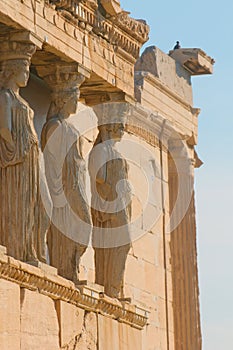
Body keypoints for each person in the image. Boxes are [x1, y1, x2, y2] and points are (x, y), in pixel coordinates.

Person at [0, 40, 48, 262]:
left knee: (38, 208)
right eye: (23, 70)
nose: (27, 75)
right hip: (19, 159)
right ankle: (19, 248)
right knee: (21, 203)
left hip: (30, 158)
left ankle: (31, 248)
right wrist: (15, 151)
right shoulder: (5, 97)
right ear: (11, 71)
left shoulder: (19, 99)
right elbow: (4, 128)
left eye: (28, 70)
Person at [41, 73, 92, 283]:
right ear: (63, 100)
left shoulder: (70, 129)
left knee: (80, 229)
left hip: (75, 187)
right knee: (69, 232)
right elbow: (53, 164)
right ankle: (65, 269)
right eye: (73, 98)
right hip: (63, 190)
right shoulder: (54, 126)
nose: (75, 102)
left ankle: (70, 269)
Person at [89, 102, 132, 298]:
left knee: (123, 244)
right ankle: (110, 287)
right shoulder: (101, 150)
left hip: (120, 204)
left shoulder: (114, 152)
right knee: (121, 243)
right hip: (111, 206)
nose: (123, 130)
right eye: (120, 125)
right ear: (110, 126)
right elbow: (99, 177)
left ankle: (114, 287)